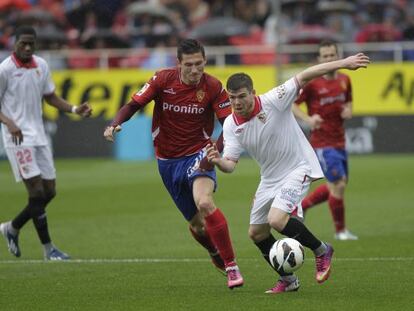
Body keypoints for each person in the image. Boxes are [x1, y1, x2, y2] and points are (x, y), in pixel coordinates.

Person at [206, 53, 369, 293]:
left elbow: (306, 75)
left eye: (241, 96)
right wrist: (218, 161)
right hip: (269, 178)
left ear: (253, 92)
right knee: (257, 232)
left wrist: (344, 63)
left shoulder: (274, 99)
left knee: (276, 219)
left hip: (297, 167)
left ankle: (322, 250)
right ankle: (288, 280)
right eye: (232, 98)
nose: (237, 103)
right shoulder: (231, 124)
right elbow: (231, 164)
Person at [103, 39, 244, 289]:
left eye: (199, 64)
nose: (194, 70)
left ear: (205, 62)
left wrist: (215, 150)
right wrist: (115, 123)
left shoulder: (213, 86)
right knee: (197, 226)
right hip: (167, 161)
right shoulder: (162, 80)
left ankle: (232, 266)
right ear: (178, 63)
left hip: (199, 154)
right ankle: (214, 252)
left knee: (205, 202)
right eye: (189, 65)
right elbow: (134, 104)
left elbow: (229, 125)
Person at [0, 25, 92, 260]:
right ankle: (48, 249)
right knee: (36, 191)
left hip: (39, 135)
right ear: (15, 43)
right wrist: (9, 123)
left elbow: (50, 96)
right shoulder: (5, 70)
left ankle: (12, 227)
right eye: (23, 43)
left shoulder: (41, 65)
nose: (28, 47)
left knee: (49, 192)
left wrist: (74, 109)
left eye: (31, 43)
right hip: (17, 138)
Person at [292, 40, 358, 240]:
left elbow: (349, 102)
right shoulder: (313, 84)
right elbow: (293, 105)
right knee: (337, 184)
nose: (329, 59)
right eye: (325, 56)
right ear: (319, 60)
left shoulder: (345, 79)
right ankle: (341, 232)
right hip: (322, 143)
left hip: (340, 140)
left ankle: (302, 206)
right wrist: (309, 119)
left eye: (332, 55)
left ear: (338, 57)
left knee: (339, 183)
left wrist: (349, 110)